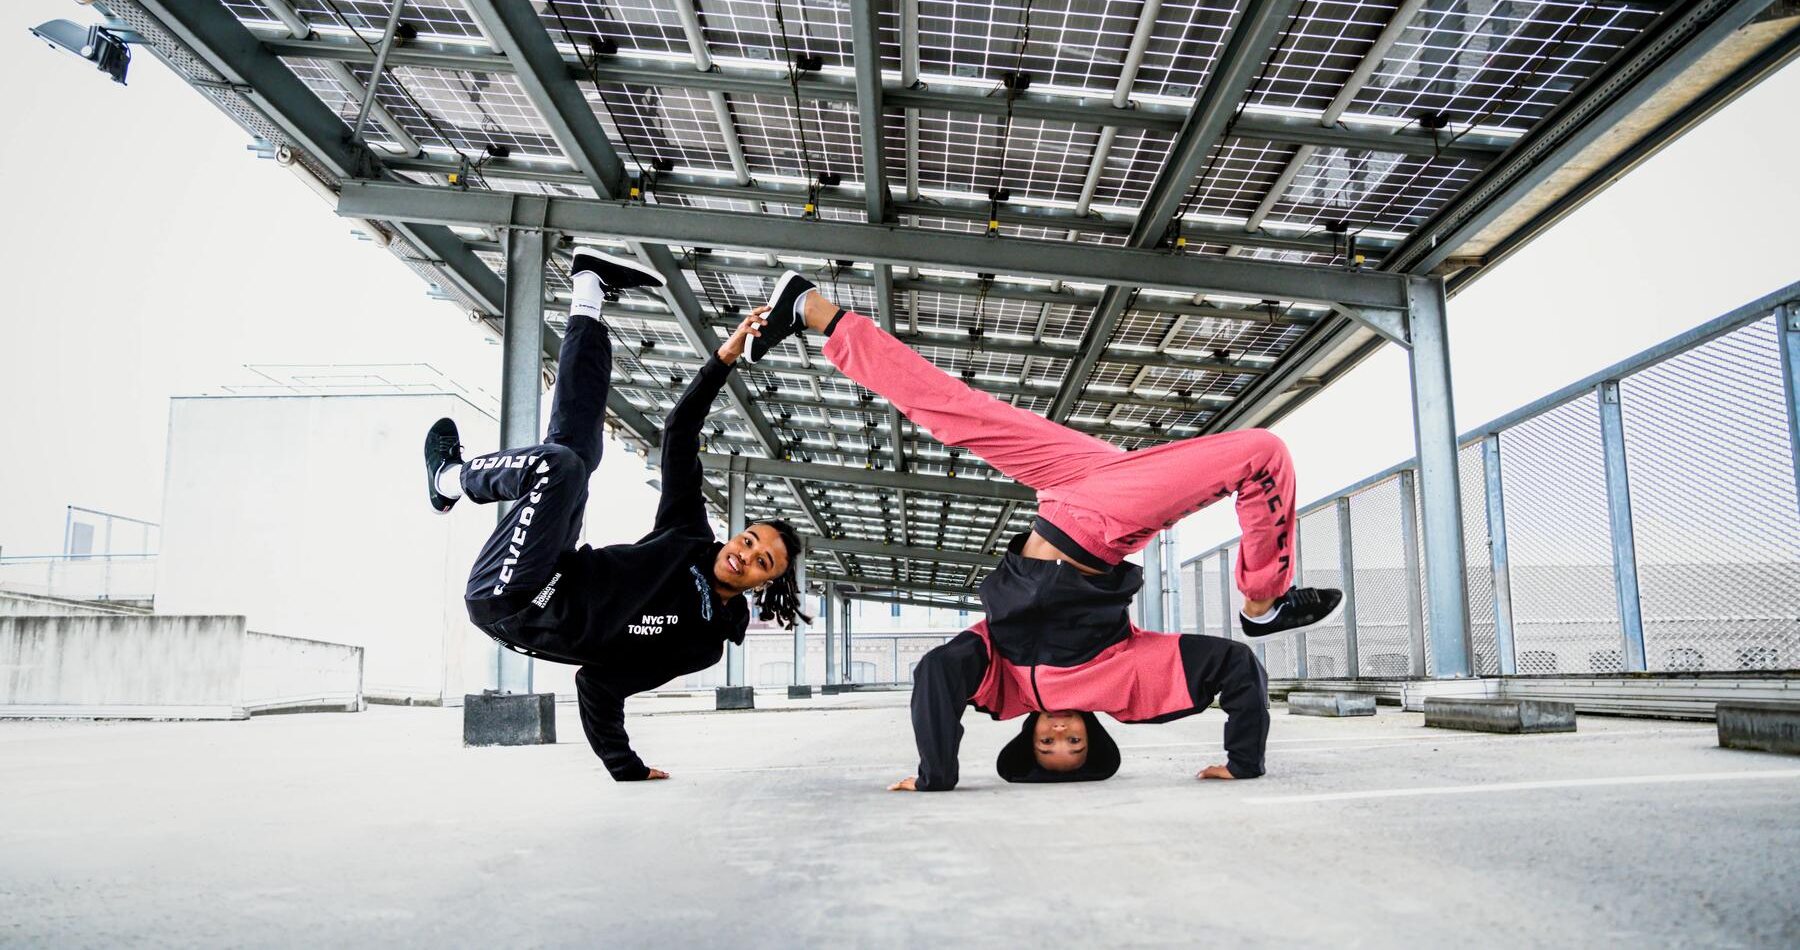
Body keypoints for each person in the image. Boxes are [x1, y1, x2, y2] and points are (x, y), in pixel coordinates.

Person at [746, 272, 1341, 791]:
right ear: (1093, 735)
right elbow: (1238, 669)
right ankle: (1263, 600)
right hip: (1102, 525)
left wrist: (937, 775)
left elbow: (934, 673)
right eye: (1076, 745)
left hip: (1066, 493)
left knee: (955, 409)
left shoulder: (999, 678)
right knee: (1261, 454)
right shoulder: (1125, 681)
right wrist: (1244, 763)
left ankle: (811, 310)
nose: (1060, 734)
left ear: (1027, 736)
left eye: (1047, 746)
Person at [422, 248, 807, 781]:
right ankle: (588, 288)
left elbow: (600, 684)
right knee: (577, 455)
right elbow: (679, 436)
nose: (745, 556)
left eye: (762, 562)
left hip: (511, 604)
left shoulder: (702, 645)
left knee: (558, 468)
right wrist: (725, 356)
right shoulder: (688, 535)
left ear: (765, 583)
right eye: (748, 541)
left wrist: (625, 766)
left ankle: (448, 478)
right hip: (551, 564)